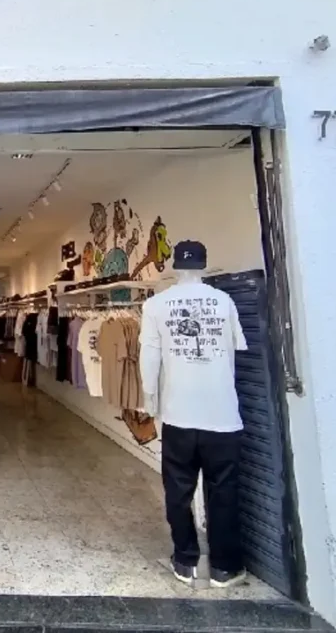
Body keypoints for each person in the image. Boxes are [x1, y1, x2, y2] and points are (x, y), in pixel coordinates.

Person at [139, 240, 248, 589]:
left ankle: (185, 560)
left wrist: (150, 401)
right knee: (224, 490)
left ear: (174, 265)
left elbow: (149, 360)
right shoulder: (224, 301)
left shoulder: (156, 305)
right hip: (222, 414)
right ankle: (224, 568)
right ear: (203, 265)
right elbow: (234, 351)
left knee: (178, 490)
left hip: (178, 413)